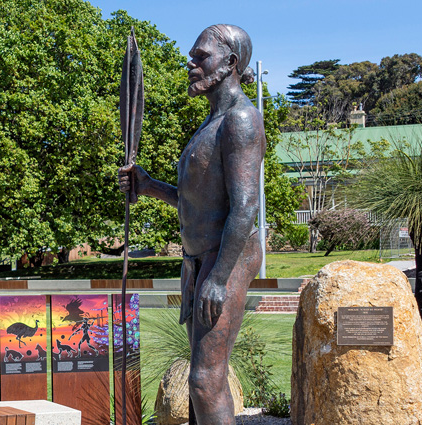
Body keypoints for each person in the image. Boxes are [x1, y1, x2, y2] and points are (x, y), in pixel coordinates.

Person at [119, 24, 265, 424]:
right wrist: (148, 186)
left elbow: (245, 206)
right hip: (200, 260)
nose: (191, 63)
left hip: (226, 259)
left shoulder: (241, 121)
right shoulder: (210, 124)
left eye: (201, 56)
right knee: (205, 377)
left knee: (204, 379)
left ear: (230, 63)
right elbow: (196, 201)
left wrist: (218, 277)